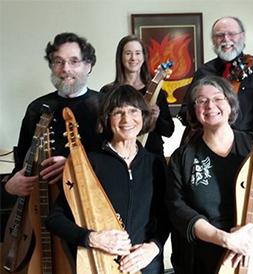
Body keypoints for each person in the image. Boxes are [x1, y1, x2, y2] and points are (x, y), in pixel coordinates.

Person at [166, 75, 253, 273]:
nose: (210, 105)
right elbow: (177, 207)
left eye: (218, 98)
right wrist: (226, 240)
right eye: (202, 101)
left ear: (230, 103)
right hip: (205, 256)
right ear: (194, 110)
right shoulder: (183, 156)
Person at [46, 85, 170, 274]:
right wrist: (92, 238)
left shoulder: (154, 164)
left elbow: (166, 216)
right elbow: (55, 219)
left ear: (143, 116)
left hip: (146, 265)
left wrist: (154, 247)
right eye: (118, 112)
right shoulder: (90, 164)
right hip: (100, 264)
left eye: (133, 111)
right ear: (107, 118)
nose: (127, 119)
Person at [5, 32, 103, 197]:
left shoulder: (106, 106)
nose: (65, 68)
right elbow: (22, 161)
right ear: (51, 66)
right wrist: (10, 185)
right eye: (59, 61)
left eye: (74, 61)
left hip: (93, 202)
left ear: (88, 66)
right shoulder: (37, 108)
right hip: (45, 203)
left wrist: (75, 166)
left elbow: (118, 161)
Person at [177, 16, 253, 133]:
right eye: (220, 35)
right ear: (213, 39)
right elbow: (186, 110)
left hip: (248, 143)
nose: (226, 39)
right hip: (209, 142)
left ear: (242, 35)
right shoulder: (204, 71)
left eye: (232, 34)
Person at [100, 35, 174, 167]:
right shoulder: (108, 91)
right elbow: (103, 129)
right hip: (118, 158)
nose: (133, 58)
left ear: (144, 57)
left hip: (152, 158)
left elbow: (169, 131)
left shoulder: (157, 92)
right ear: (120, 57)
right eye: (128, 53)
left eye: (137, 53)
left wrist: (156, 118)